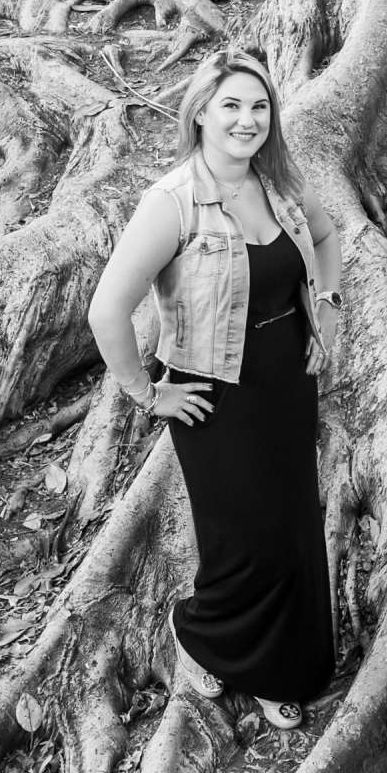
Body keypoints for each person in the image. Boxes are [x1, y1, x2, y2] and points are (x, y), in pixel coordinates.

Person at [88, 48, 344, 730]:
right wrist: (148, 394)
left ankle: (289, 662)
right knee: (246, 543)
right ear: (200, 112)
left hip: (288, 377)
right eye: (231, 105)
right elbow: (107, 310)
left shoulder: (278, 183)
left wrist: (328, 308)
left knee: (292, 529)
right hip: (212, 395)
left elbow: (325, 237)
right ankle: (206, 640)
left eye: (259, 106)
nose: (247, 119)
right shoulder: (170, 203)